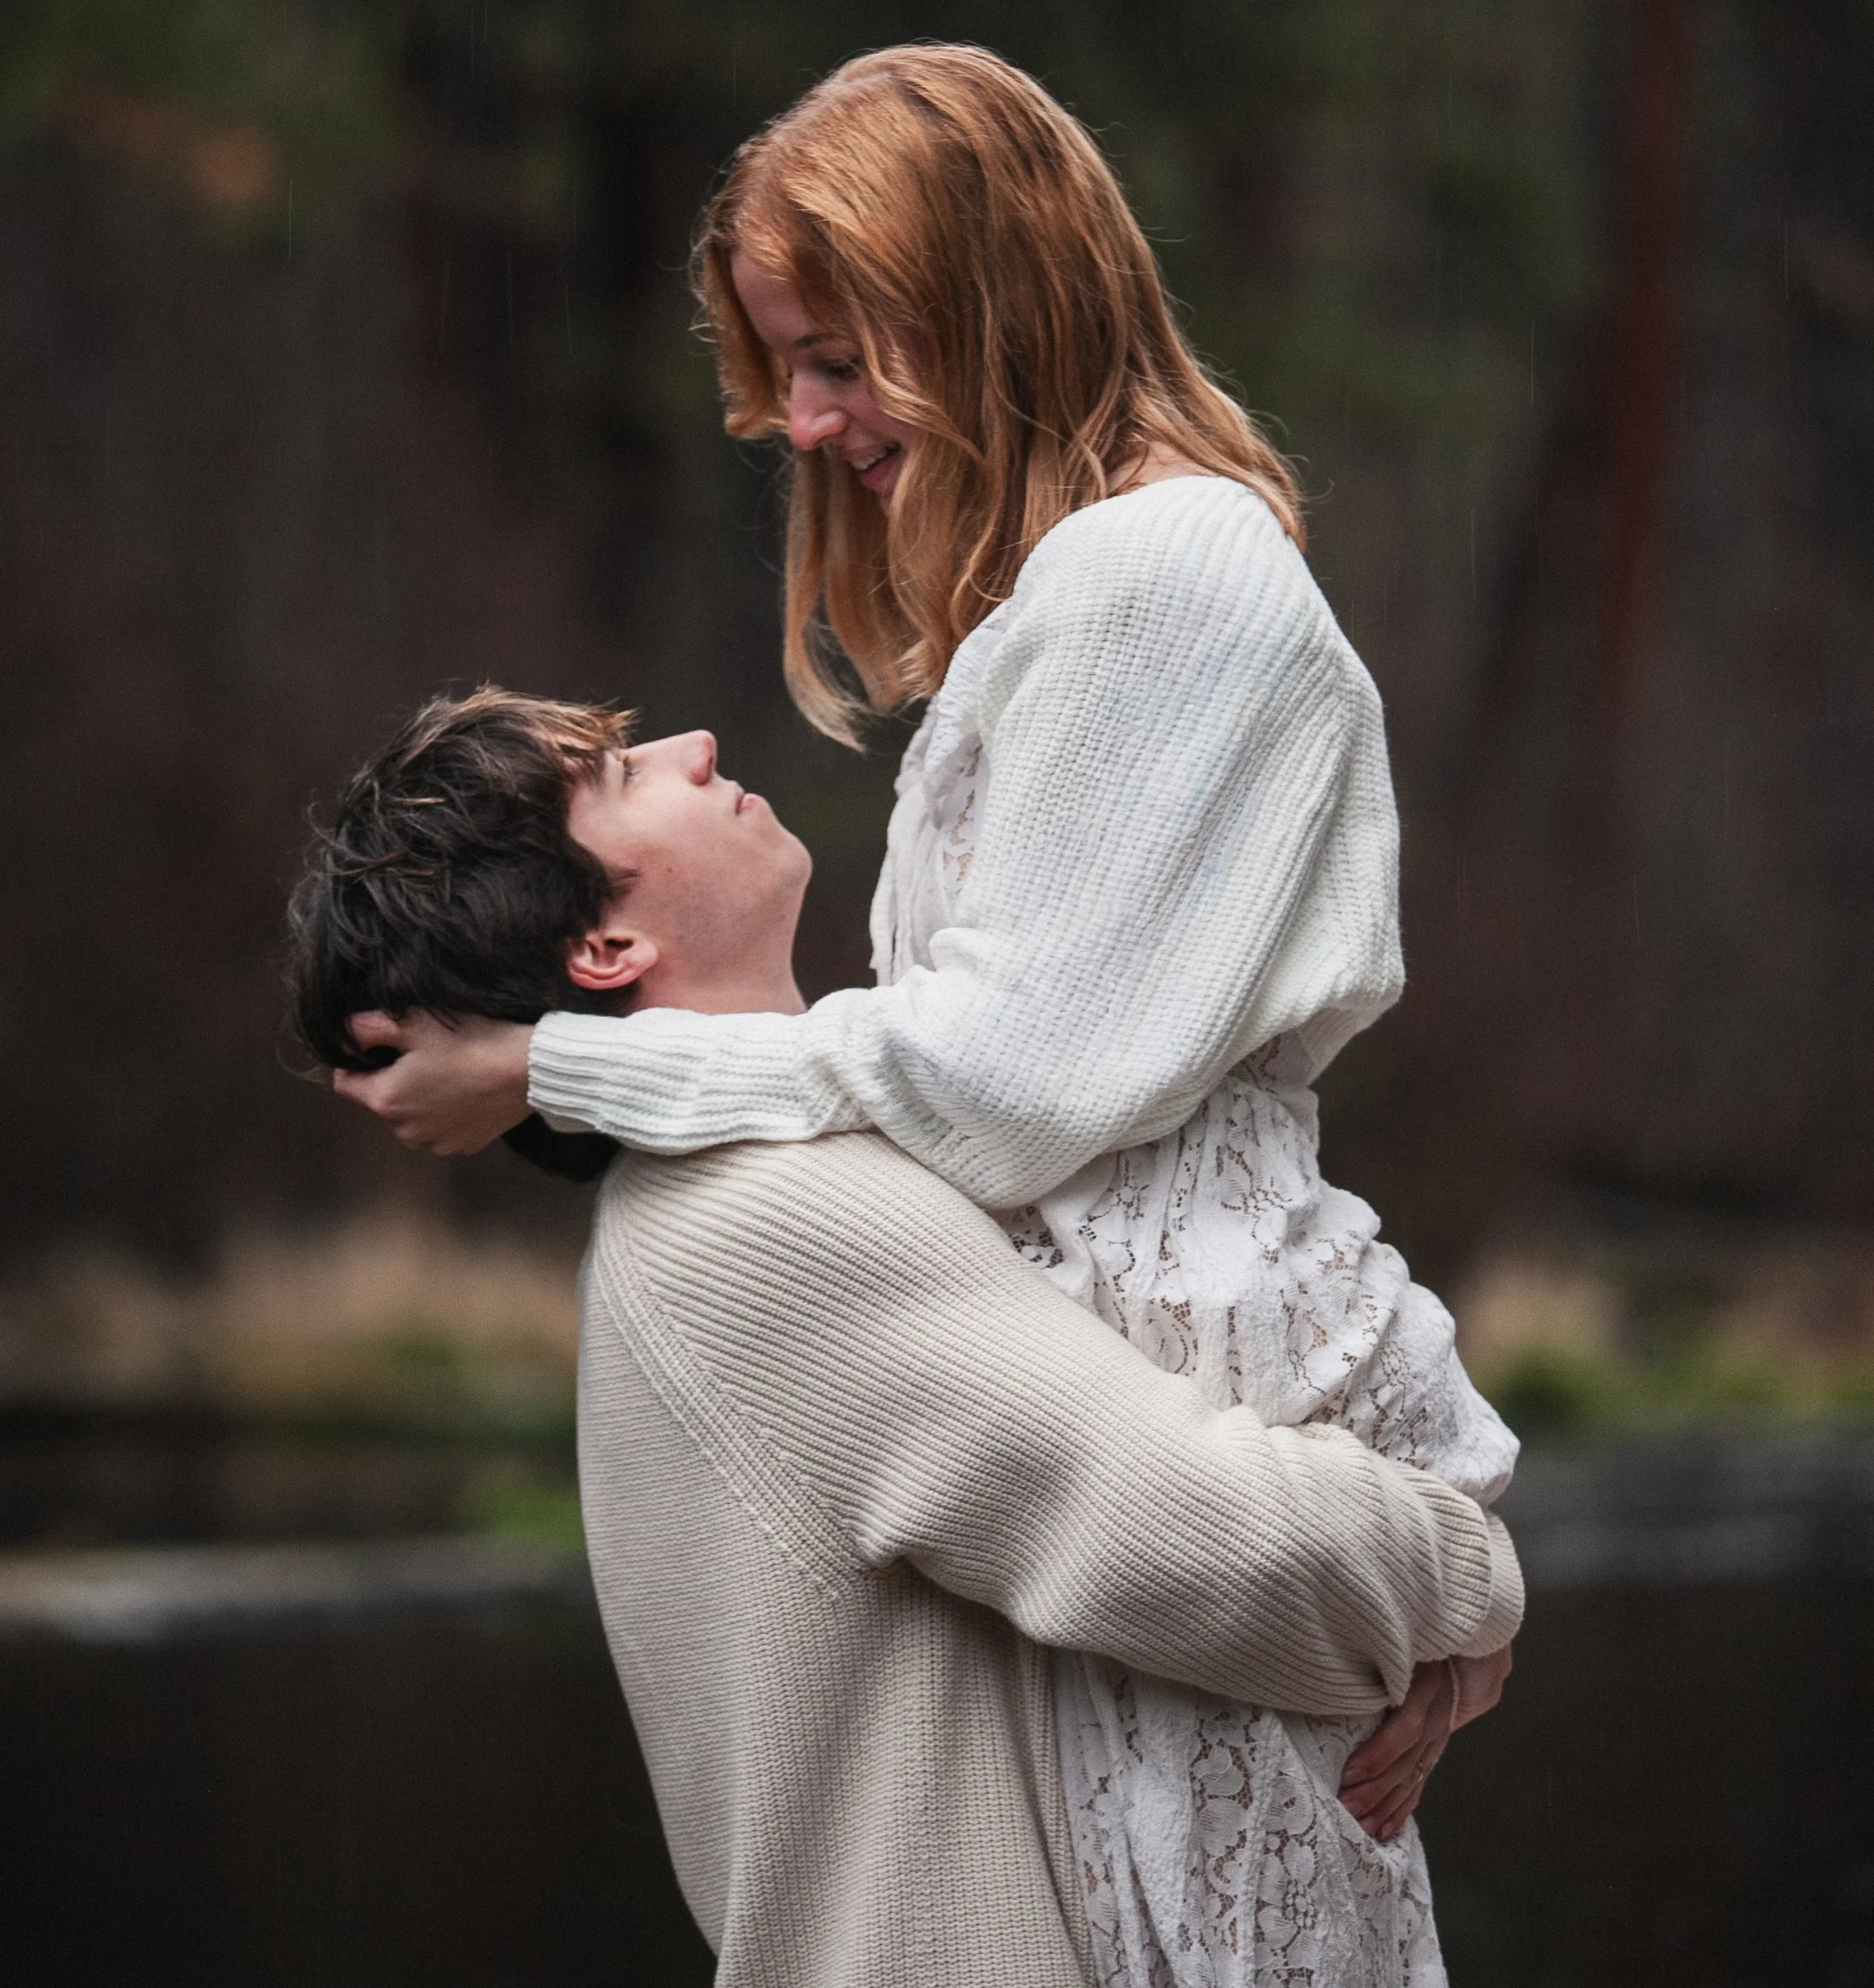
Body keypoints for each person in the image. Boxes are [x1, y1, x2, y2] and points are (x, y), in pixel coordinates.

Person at [336, 46, 1520, 1985]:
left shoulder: (1163, 568)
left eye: (830, 356)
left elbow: (985, 1087)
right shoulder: (1071, 606)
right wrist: (1450, 1562)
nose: (800, 424)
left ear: (975, 299)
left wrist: (559, 1066)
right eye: (782, 369)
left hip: (1204, 1371)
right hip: (1170, 1451)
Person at [301, 687, 1522, 1988]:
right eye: (615, 773)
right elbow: (1199, 1539)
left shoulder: (704, 1204)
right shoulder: (769, 1217)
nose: (693, 745)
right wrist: (1473, 1582)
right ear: (604, 944)